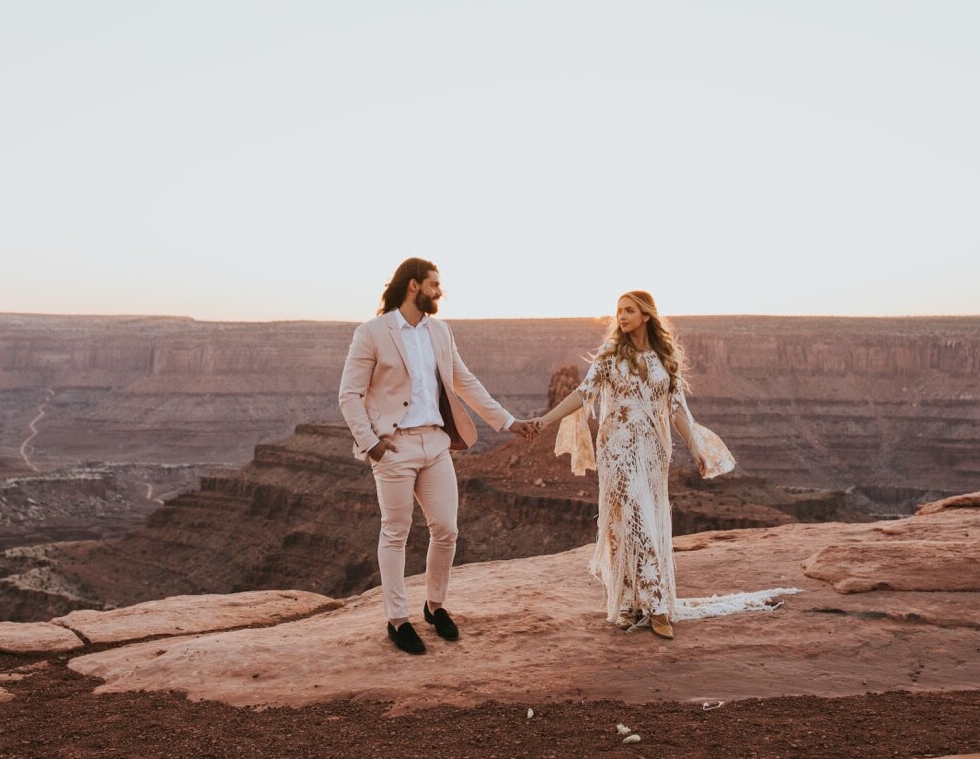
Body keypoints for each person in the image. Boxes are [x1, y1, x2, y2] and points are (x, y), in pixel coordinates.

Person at [535, 291, 795, 638]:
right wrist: (544, 420)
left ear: (646, 316)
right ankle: (654, 606)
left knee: (641, 521)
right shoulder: (610, 356)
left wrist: (698, 449)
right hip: (617, 449)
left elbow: (676, 410)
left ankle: (630, 605)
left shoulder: (663, 357)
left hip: (653, 452)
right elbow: (584, 394)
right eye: (619, 311)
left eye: (629, 310)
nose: (622, 316)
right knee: (630, 519)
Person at [338, 257, 538, 655]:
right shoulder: (373, 332)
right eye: (433, 285)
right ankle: (397, 619)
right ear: (413, 286)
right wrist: (371, 443)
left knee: (446, 529)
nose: (439, 292)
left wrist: (508, 421)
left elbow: (465, 382)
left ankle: (435, 606)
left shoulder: (441, 333)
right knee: (395, 532)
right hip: (394, 446)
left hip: (435, 443)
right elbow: (349, 394)